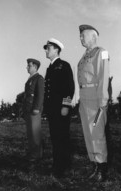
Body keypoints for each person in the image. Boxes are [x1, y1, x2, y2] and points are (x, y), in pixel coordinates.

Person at [77, 25, 110, 182]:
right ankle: (95, 166)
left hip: (96, 98)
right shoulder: (83, 58)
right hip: (84, 99)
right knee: (88, 134)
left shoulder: (101, 52)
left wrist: (103, 100)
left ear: (93, 37)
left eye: (83, 35)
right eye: (80, 35)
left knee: (97, 135)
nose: (81, 38)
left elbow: (103, 76)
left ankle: (102, 170)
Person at [43, 38, 75, 178]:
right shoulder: (49, 68)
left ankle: (64, 167)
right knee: (55, 138)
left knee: (62, 137)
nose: (46, 50)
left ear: (56, 49)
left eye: (48, 47)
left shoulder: (64, 65)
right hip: (52, 110)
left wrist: (66, 105)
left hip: (61, 109)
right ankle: (58, 165)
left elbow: (69, 87)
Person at [17, 58, 44, 160]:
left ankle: (37, 155)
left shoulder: (39, 78)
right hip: (28, 109)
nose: (27, 67)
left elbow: (40, 95)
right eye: (27, 65)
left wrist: (37, 108)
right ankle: (32, 153)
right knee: (30, 133)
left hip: (34, 110)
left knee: (35, 133)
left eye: (29, 65)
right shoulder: (31, 78)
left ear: (35, 67)